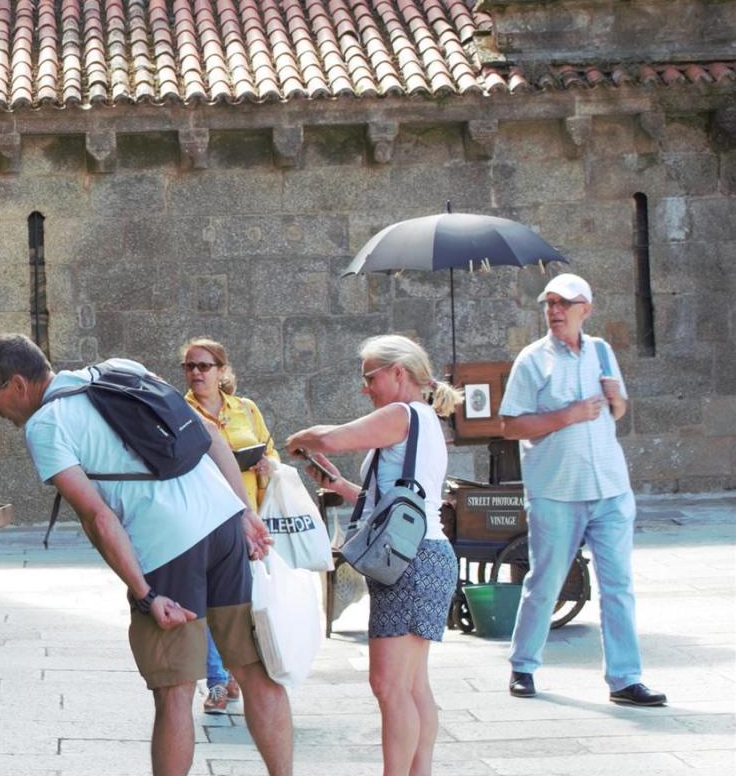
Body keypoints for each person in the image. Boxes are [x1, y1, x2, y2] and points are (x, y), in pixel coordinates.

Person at [0, 335, 294, 776]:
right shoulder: (119, 369)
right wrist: (240, 511)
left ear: (19, 385)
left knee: (174, 692)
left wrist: (145, 594)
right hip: (222, 521)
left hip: (167, 545)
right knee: (255, 673)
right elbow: (209, 435)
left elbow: (99, 518)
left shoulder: (45, 427)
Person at [285, 335, 461, 776]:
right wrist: (343, 488)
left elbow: (332, 437)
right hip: (426, 556)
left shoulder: (402, 413)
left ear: (398, 373)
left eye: (370, 377)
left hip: (411, 562)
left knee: (388, 686)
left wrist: (301, 438)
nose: (366, 388)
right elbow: (400, 501)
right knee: (413, 685)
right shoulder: (422, 421)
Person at [497, 273, 665, 707]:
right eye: (549, 303)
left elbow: (617, 409)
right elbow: (510, 425)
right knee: (546, 581)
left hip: (610, 487)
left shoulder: (603, 352)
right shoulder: (532, 360)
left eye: (563, 303)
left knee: (619, 586)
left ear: (585, 310)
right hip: (555, 490)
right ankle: (524, 665)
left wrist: (618, 401)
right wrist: (567, 415)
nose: (554, 311)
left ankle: (625, 679)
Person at [180, 337, 281, 715]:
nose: (195, 373)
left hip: (249, 515)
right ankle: (217, 682)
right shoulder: (180, 410)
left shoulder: (246, 409)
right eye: (189, 366)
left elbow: (270, 450)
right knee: (210, 603)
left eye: (204, 366)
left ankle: (237, 673)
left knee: (244, 602)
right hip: (206, 520)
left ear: (222, 371)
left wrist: (266, 464)